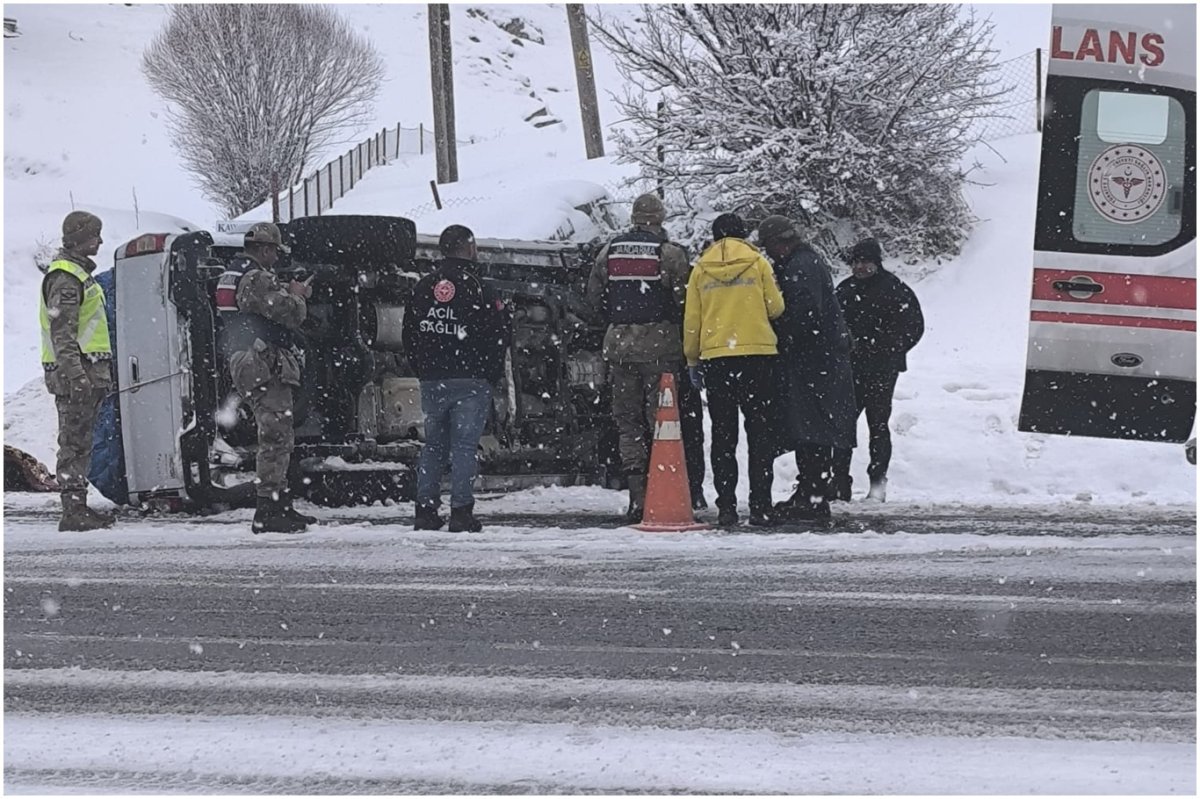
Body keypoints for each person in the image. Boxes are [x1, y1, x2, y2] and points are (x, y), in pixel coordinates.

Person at [585, 193, 692, 523]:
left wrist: (616, 322)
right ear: (659, 218)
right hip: (660, 347)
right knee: (661, 422)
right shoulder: (669, 254)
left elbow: (593, 298)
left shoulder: (610, 251)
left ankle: (636, 496)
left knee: (627, 423)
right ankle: (662, 491)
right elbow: (684, 300)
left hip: (619, 348)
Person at [402, 224, 512, 533]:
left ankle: (425, 510)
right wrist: (490, 375)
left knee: (433, 445)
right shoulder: (480, 287)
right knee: (464, 446)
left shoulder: (423, 287)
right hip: (471, 378)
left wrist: (423, 368)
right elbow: (498, 335)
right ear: (470, 248)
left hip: (433, 378)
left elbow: (409, 332)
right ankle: (461, 512)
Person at [684, 213, 785, 527]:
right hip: (757, 355)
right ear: (743, 235)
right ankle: (760, 506)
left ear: (715, 237)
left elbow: (692, 322)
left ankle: (726, 507)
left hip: (718, 359)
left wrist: (692, 359)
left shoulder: (701, 269)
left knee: (724, 436)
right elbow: (776, 307)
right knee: (760, 434)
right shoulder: (758, 263)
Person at [216, 221, 315, 534]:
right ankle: (268, 511)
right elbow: (287, 312)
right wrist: (298, 296)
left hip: (251, 358)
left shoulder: (239, 272)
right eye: (274, 250)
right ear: (265, 248)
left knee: (279, 432)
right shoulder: (256, 276)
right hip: (260, 360)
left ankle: (279, 504)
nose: (277, 257)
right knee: (274, 434)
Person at [757, 215, 857, 523]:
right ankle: (811, 492)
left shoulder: (801, 267)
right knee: (813, 429)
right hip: (821, 359)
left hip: (814, 361)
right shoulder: (805, 262)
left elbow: (803, 315)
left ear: (780, 243)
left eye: (770, 247)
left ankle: (812, 497)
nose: (769, 254)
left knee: (811, 429)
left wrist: (777, 334)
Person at [831, 238, 924, 502]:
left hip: (883, 370)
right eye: (856, 262)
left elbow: (913, 327)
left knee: (878, 427)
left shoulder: (895, 290)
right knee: (844, 427)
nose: (860, 267)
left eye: (865, 262)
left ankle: (877, 485)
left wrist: (890, 349)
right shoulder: (846, 291)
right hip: (851, 370)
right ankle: (840, 484)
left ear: (876, 263)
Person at [40, 211, 116, 531]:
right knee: (74, 442)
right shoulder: (67, 278)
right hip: (77, 374)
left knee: (81, 441)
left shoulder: (77, 275)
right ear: (79, 238)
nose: (99, 241)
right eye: (93, 235)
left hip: (86, 372)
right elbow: (63, 335)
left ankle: (77, 507)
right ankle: (73, 511)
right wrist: (77, 376)